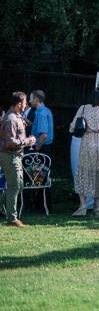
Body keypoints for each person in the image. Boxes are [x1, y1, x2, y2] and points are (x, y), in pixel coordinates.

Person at [70, 89, 99, 217]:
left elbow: (73, 126)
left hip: (87, 143)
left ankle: (83, 205)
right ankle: (96, 207)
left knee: (83, 172)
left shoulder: (83, 108)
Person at [0, 92, 36, 227]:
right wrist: (27, 141)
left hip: (15, 155)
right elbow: (10, 142)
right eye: (25, 102)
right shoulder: (10, 119)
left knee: (18, 186)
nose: (26, 104)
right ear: (19, 104)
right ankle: (12, 219)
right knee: (14, 186)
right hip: (9, 155)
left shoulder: (16, 116)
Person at [28, 90, 53, 155]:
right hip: (45, 147)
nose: (29, 101)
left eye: (30, 98)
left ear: (36, 99)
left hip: (41, 149)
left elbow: (44, 135)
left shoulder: (41, 114)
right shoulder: (46, 110)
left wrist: (36, 149)